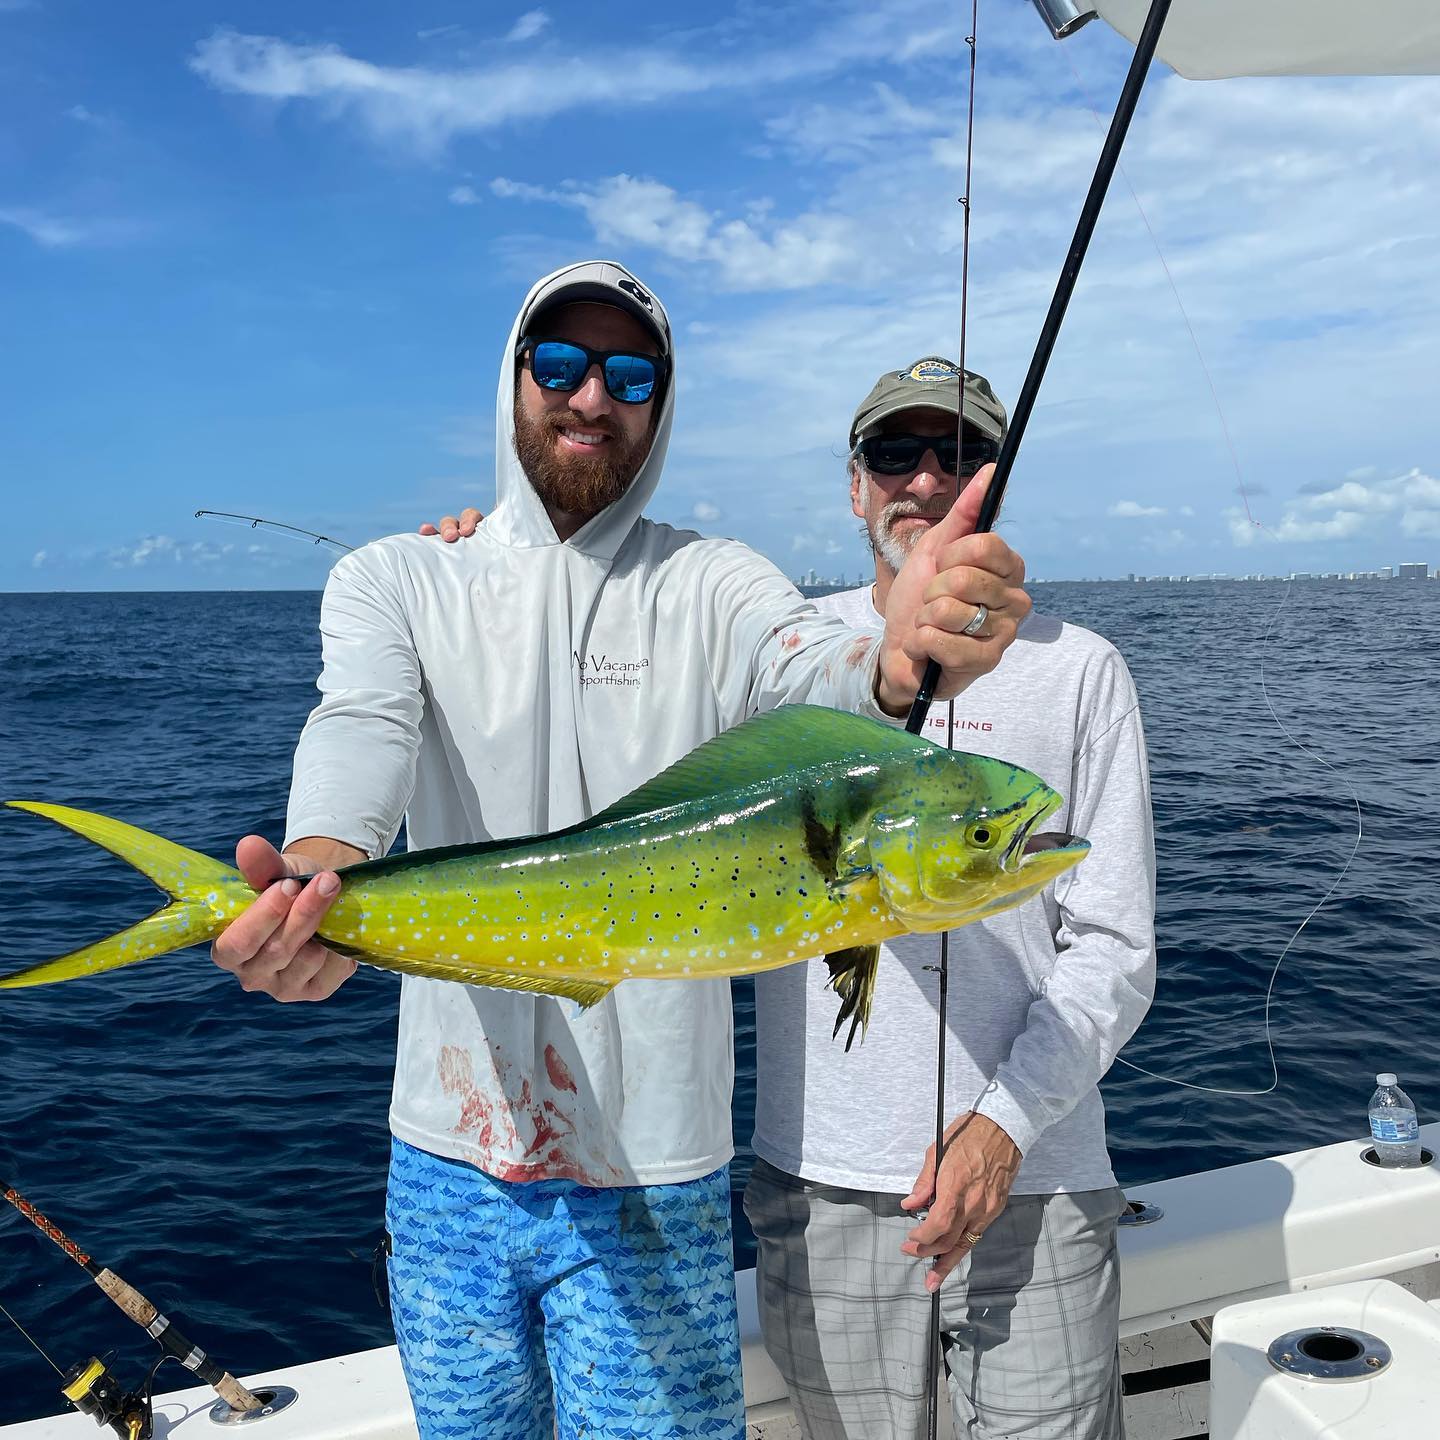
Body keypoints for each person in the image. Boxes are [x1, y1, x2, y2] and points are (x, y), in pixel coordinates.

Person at [208, 264, 1033, 1440]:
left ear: (660, 407)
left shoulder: (716, 580)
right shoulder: (396, 576)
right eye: (560, 364)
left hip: (657, 1171)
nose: (592, 395)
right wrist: (313, 881)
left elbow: (816, 668)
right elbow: (362, 729)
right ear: (513, 379)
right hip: (446, 1165)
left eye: (629, 373)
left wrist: (898, 662)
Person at [744, 358, 1157, 1439]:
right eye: (895, 454)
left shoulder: (1085, 670)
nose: (925, 480)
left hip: (1036, 1183)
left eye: (962, 454)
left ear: (997, 481)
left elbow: (1114, 945)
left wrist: (1001, 1129)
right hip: (821, 1185)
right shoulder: (783, 648)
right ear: (854, 485)